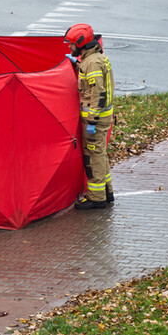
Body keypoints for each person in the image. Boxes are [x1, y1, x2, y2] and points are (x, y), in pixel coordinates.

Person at [65, 23, 115, 210]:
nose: (70, 47)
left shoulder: (92, 62)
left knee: (93, 158)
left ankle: (96, 198)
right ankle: (107, 192)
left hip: (96, 119)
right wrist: (78, 65)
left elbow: (97, 93)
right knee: (100, 155)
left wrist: (92, 120)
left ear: (81, 43)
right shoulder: (93, 58)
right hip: (102, 117)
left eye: (72, 44)